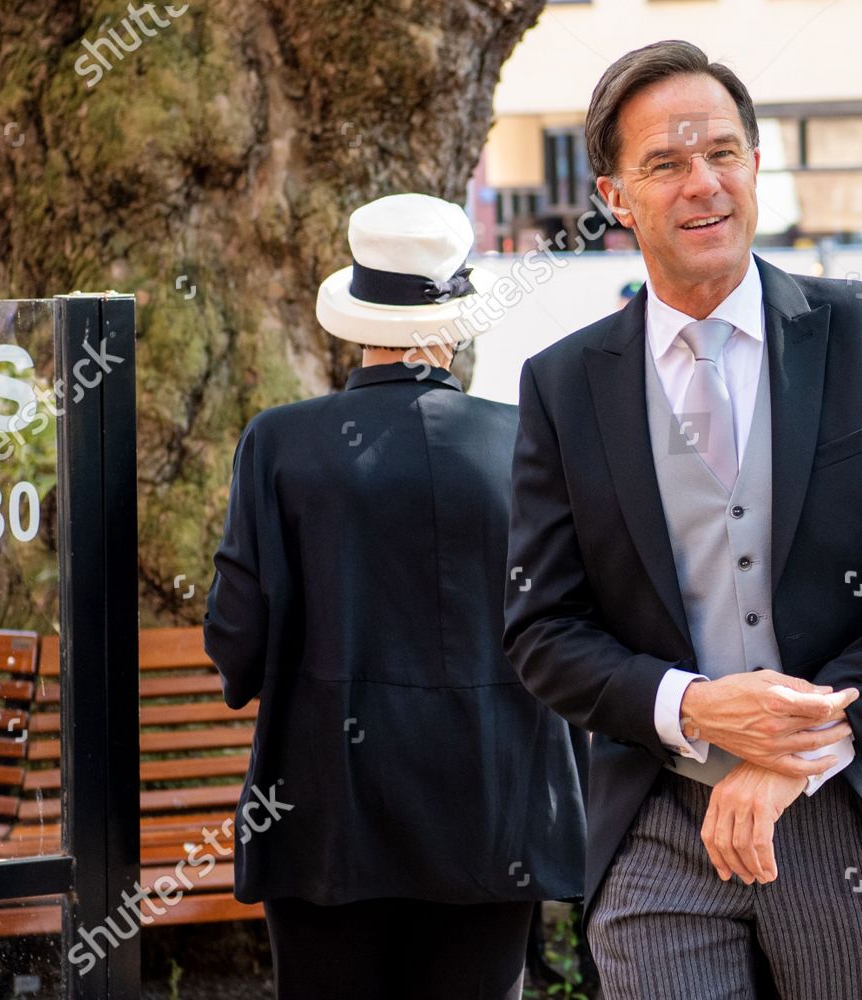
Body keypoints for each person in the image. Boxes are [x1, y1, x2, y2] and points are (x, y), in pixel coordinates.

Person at [502, 40, 862, 999]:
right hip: (659, 824)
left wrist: (804, 747)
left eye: (724, 153)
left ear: (757, 164)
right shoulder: (564, 385)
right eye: (667, 163)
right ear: (615, 195)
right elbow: (542, 631)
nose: (704, 184)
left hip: (845, 819)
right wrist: (688, 706)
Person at [203, 193, 586, 999]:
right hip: (496, 803)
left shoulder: (279, 441)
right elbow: (571, 624)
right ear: (455, 324)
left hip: (324, 809)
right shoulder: (526, 438)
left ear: (358, 312)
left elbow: (236, 639)